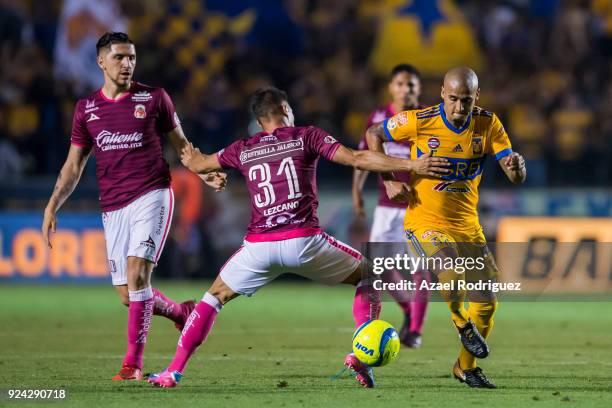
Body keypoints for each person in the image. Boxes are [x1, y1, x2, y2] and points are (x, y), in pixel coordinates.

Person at [147, 86, 450, 388]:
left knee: (212, 299)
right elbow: (357, 158)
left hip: (259, 248)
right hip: (304, 242)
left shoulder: (243, 148)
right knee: (370, 274)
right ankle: (361, 353)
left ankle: (173, 371)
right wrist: (410, 165)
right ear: (283, 111)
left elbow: (197, 162)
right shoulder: (306, 135)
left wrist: (188, 148)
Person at [41, 32, 226, 381]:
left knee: (138, 272)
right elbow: (73, 166)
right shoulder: (86, 109)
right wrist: (53, 205)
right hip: (113, 206)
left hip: (152, 194)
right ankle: (180, 313)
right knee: (128, 294)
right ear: (101, 62)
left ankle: (132, 365)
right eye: (119, 58)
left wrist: (204, 173)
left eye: (131, 58)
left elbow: (183, 147)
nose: (127, 64)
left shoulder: (154, 98)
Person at [366, 66, 526, 388]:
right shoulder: (420, 121)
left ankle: (465, 368)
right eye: (452, 98)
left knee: (486, 304)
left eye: (465, 100)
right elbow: (374, 134)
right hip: (423, 221)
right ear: (442, 93)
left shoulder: (488, 123)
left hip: (467, 227)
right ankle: (460, 323)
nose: (458, 107)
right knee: (449, 270)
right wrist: (387, 181)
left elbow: (514, 175)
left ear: (476, 97)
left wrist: (517, 168)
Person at [352, 63, 429, 348]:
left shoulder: (427, 118)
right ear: (390, 87)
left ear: (418, 89)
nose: (405, 89)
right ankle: (409, 309)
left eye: (411, 84)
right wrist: (356, 193)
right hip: (386, 207)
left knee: (421, 270)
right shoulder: (378, 118)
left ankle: (416, 332)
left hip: (418, 206)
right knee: (379, 267)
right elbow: (364, 157)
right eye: (400, 83)